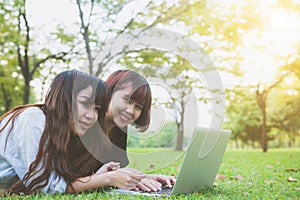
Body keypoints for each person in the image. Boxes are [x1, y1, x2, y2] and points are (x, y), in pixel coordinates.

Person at [0, 69, 145, 195]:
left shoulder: (61, 131)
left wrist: (98, 176)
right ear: (63, 99)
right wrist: (107, 179)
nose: (91, 116)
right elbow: (43, 185)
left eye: (96, 109)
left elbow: (58, 179)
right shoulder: (33, 118)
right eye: (85, 103)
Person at [103, 69, 176, 192]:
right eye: (127, 100)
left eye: (138, 107)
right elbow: (77, 175)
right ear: (109, 93)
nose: (131, 111)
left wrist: (146, 177)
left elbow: (112, 171)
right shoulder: (86, 122)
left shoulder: (119, 129)